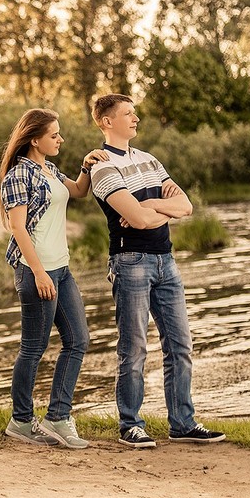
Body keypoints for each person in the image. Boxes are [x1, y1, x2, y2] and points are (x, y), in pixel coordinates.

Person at [88, 93, 226, 449]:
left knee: (180, 345)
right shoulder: (103, 167)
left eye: (135, 113)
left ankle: (182, 423)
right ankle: (130, 425)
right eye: (128, 114)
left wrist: (151, 204)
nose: (136, 119)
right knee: (133, 349)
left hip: (167, 260)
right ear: (107, 121)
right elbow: (136, 220)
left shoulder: (150, 160)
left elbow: (187, 206)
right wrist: (158, 210)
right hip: (130, 261)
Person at [0, 108, 108, 450]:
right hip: (36, 272)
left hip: (62, 269)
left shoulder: (50, 169)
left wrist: (87, 166)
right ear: (35, 139)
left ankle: (58, 417)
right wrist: (39, 272)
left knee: (78, 340)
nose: (61, 139)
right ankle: (21, 420)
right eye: (54, 135)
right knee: (33, 348)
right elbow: (17, 227)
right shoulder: (19, 175)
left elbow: (77, 191)